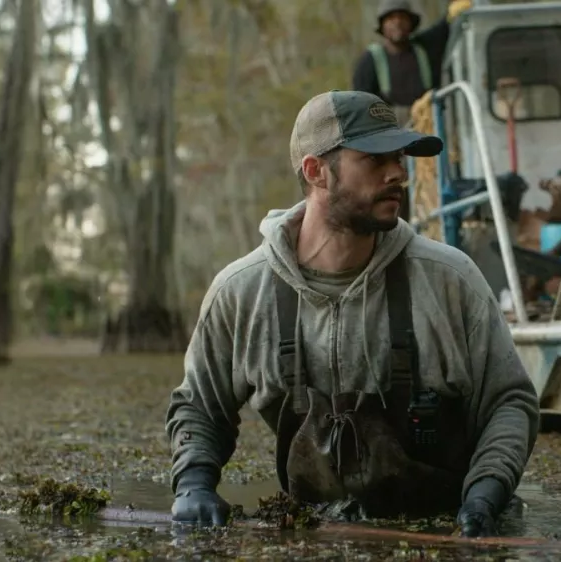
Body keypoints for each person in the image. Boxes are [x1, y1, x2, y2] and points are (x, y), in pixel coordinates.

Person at [164, 89, 540, 538]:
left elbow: (509, 402)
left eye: (400, 158)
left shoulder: (449, 280)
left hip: (453, 529)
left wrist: (486, 493)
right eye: (375, 160)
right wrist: (194, 484)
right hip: (311, 533)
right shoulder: (241, 292)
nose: (398, 174)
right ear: (315, 171)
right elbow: (199, 407)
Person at [352, 0, 471, 126]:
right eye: (391, 18)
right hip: (391, 134)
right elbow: (362, 106)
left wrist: (454, 11)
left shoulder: (425, 48)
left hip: (430, 127)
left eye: (402, 17)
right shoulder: (371, 60)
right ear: (382, 25)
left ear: (411, 23)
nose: (397, 22)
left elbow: (445, 25)